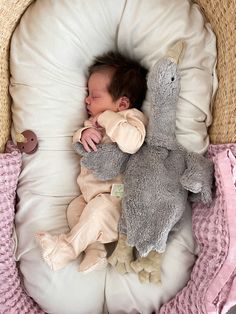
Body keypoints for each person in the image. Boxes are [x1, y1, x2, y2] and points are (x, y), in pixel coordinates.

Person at [36, 51, 148, 272]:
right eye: (88, 94)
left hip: (118, 198)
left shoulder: (130, 118)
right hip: (89, 196)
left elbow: (133, 143)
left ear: (122, 103)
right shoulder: (92, 123)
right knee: (74, 210)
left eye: (94, 96)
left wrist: (106, 117)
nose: (87, 100)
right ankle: (95, 251)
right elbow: (78, 143)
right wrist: (84, 133)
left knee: (96, 212)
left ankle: (65, 250)